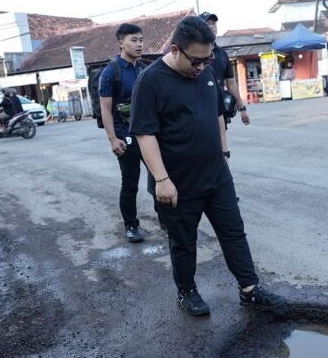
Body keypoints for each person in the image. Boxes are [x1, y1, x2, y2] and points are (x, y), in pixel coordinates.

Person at [130, 16, 286, 316]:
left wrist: (224, 151)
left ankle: (249, 289)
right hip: (176, 182)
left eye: (208, 59)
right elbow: (144, 134)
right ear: (176, 50)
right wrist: (161, 179)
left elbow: (216, 114)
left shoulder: (208, 70)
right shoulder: (150, 81)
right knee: (184, 241)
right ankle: (187, 292)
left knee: (233, 231)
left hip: (216, 173)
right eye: (197, 61)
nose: (202, 67)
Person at [99, 23, 147, 243]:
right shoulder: (111, 72)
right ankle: (131, 225)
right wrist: (113, 139)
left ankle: (167, 221)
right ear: (120, 43)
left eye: (140, 40)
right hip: (125, 136)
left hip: (149, 134)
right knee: (130, 183)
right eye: (133, 40)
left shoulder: (143, 68)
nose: (139, 44)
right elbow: (105, 109)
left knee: (160, 178)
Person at [198, 11, 250, 126]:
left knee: (221, 142)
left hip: (221, 109)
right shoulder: (194, 52)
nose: (212, 26)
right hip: (200, 111)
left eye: (214, 24)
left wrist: (242, 108)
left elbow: (231, 83)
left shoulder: (222, 54)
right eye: (207, 23)